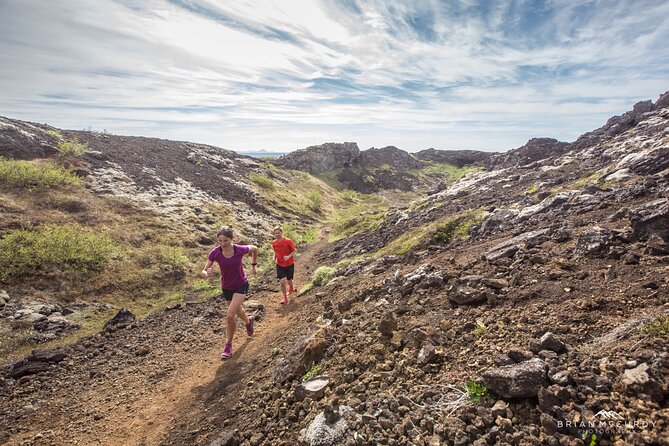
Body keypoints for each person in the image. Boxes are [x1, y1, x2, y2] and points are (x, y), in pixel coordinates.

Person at [200, 226, 258, 359]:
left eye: (225, 241)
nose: (222, 244)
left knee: (230, 315)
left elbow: (254, 249)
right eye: (219, 241)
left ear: (233, 239)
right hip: (226, 287)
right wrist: (206, 274)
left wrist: (253, 265)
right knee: (237, 310)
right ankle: (248, 321)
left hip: (241, 285)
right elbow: (204, 271)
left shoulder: (239, 249)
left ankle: (228, 345)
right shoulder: (215, 252)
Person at [271, 226, 297, 304]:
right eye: (275, 233)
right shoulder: (274, 243)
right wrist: (273, 258)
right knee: (282, 282)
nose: (277, 235)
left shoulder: (288, 241)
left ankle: (291, 287)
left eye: (278, 233)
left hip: (289, 264)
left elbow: (294, 250)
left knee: (289, 280)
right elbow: (275, 252)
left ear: (282, 232)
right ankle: (285, 298)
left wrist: (288, 256)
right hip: (279, 264)